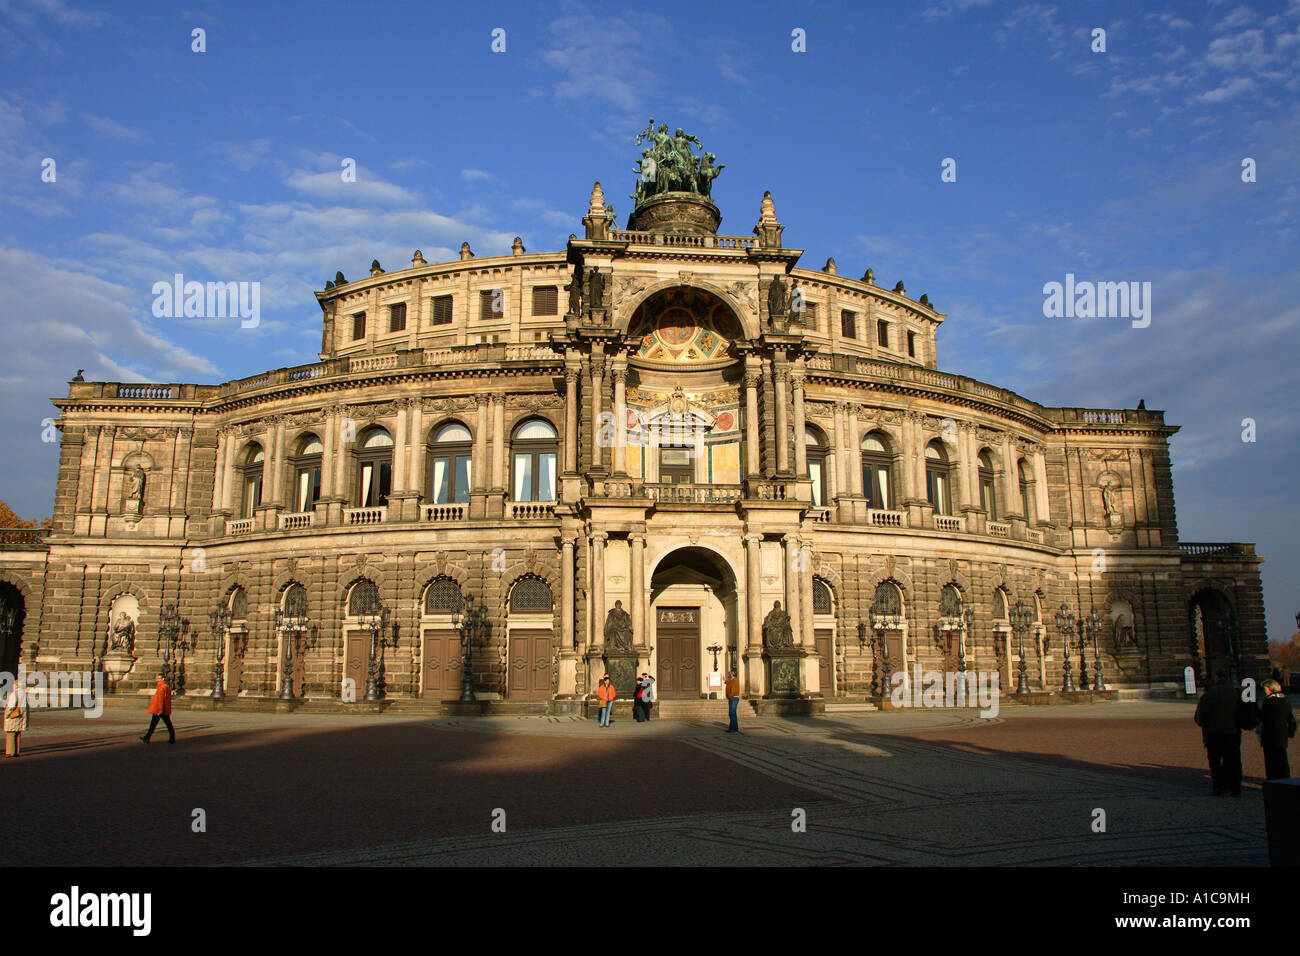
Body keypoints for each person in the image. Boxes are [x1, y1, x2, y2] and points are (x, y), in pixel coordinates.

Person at [1193, 670, 1251, 796]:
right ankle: (1235, 788)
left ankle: (1219, 787)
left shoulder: (1209, 694)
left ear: (1217, 678)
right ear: (1228, 679)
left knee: (1215, 762)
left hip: (1214, 734)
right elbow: (1247, 712)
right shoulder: (1237, 693)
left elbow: (1199, 717)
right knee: (1234, 761)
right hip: (1233, 733)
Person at [1257, 679, 1296, 780]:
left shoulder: (1269, 701)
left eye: (1265, 689)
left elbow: (1261, 717)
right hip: (1282, 733)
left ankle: (1273, 780)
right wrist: (1291, 731)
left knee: (1271, 761)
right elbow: (1290, 718)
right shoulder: (1285, 700)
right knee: (1282, 758)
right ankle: (1285, 778)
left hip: (1269, 734)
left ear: (1270, 689)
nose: (1264, 691)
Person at [140, 674, 175, 744]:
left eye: (158, 678)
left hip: (159, 709)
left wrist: (160, 708)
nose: (157, 680)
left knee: (154, 724)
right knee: (167, 723)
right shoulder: (165, 687)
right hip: (162, 709)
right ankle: (172, 737)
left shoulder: (162, 687)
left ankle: (147, 737)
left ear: (162, 679)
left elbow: (161, 699)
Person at [4, 684, 29, 757]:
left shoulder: (14, 694)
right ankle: (16, 752)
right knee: (18, 734)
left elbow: (11, 706)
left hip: (13, 717)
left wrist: (6, 715)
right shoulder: (24, 694)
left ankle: (10, 752)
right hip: (21, 716)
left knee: (11, 734)